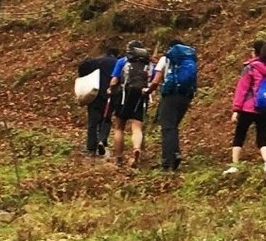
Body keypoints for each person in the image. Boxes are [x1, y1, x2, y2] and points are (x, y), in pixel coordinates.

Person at [225, 40, 266, 175]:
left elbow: (242, 89)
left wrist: (236, 109)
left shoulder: (250, 68)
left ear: (255, 52)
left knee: (239, 135)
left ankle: (235, 165)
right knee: (262, 137)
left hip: (248, 108)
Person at [147, 39, 197, 171]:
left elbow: (156, 80)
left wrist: (147, 91)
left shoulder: (166, 58)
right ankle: (173, 154)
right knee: (173, 126)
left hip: (170, 95)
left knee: (167, 127)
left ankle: (169, 158)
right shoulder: (188, 59)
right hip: (185, 96)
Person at [107, 40, 151, 168]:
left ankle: (119, 158)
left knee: (119, 126)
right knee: (137, 127)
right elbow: (151, 80)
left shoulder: (122, 61)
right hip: (141, 96)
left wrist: (110, 89)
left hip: (124, 96)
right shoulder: (148, 63)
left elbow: (114, 81)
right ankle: (136, 149)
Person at [77, 43, 118, 157]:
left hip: (95, 95)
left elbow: (83, 65)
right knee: (106, 119)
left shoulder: (98, 61)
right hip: (110, 96)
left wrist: (83, 76)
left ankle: (91, 147)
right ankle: (102, 140)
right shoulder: (117, 63)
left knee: (93, 122)